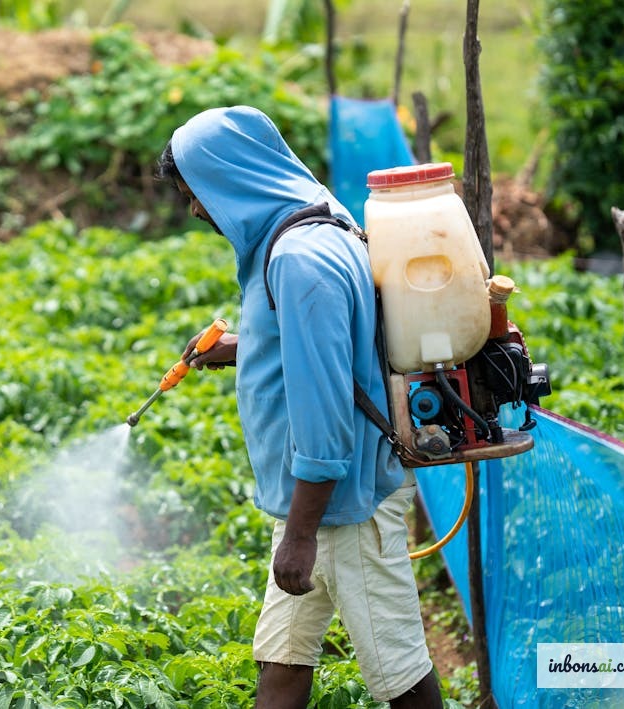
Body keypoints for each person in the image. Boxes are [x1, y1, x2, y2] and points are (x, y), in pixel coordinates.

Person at [159, 105, 442, 708]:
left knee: (401, 675)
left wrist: (301, 533)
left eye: (197, 193)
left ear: (232, 179)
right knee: (282, 654)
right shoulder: (320, 218)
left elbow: (325, 403)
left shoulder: (295, 261)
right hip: (320, 503)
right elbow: (337, 338)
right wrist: (249, 346)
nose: (197, 210)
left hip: (342, 507)